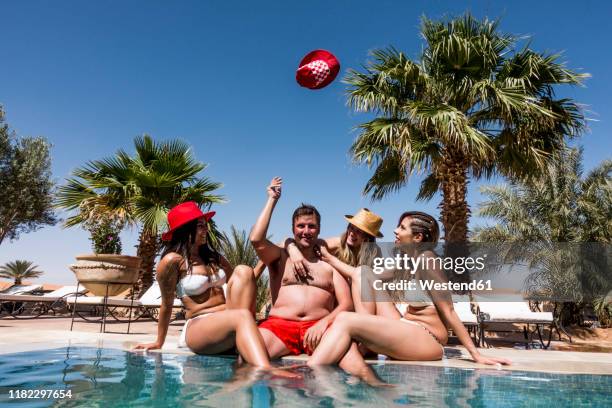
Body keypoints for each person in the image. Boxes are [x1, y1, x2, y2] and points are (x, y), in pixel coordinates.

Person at [307, 210, 511, 376]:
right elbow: (364, 276)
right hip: (406, 326)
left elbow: (448, 310)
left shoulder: (428, 260)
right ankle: (364, 342)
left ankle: (310, 375)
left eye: (402, 227)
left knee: (345, 320)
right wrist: (326, 257)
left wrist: (475, 354)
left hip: (427, 338)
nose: (395, 231)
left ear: (417, 237)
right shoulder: (407, 262)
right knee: (364, 272)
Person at [133, 201, 296, 375]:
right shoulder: (172, 261)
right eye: (201, 226)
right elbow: (167, 305)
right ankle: (265, 369)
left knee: (244, 270)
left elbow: (245, 282)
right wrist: (159, 342)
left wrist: (265, 259)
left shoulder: (213, 257)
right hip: (199, 326)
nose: (206, 230)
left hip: (230, 319)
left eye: (205, 226)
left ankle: (243, 353)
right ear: (186, 229)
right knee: (242, 316)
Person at [250, 177, 353, 357]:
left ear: (319, 230)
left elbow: (347, 304)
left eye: (311, 226)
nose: (306, 231)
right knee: (250, 356)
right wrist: (272, 200)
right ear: (293, 229)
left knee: (350, 357)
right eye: (301, 226)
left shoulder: (329, 264)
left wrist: (324, 323)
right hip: (280, 326)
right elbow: (256, 240)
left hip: (320, 327)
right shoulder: (280, 257)